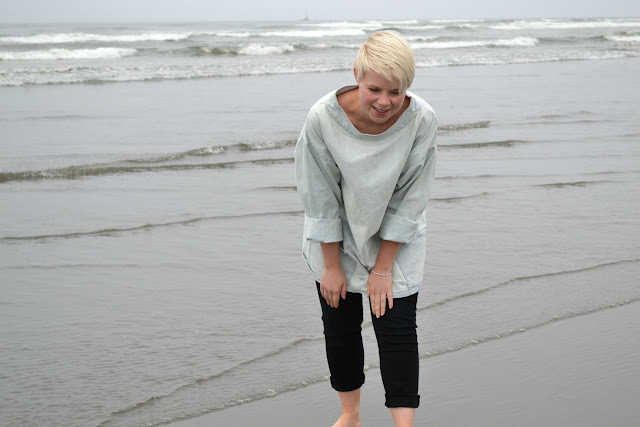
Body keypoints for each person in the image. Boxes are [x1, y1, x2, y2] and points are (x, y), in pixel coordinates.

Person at [294, 30, 437, 427]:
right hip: (335, 238)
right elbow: (319, 196)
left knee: (397, 329)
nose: (385, 102)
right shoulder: (323, 117)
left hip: (396, 236)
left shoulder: (421, 119)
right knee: (338, 327)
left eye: (396, 91)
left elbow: (412, 196)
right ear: (356, 74)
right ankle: (350, 414)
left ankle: (403, 425)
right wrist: (332, 265)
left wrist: (384, 267)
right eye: (374, 88)